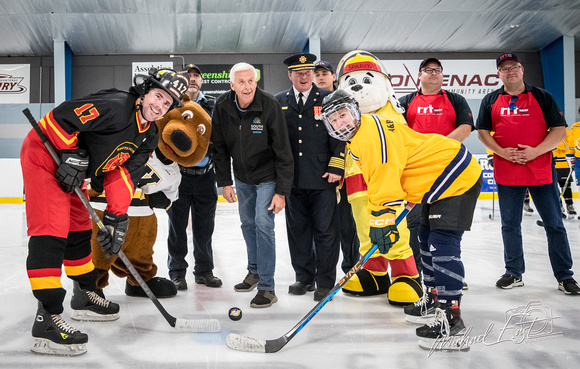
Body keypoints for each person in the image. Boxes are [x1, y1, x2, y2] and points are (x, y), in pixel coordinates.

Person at [20, 68, 188, 355]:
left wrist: (116, 217)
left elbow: (122, 176)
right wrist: (72, 153)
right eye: (158, 96)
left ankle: (85, 294)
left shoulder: (149, 134)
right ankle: (46, 318)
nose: (159, 106)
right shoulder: (115, 106)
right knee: (52, 229)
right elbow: (59, 118)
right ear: (145, 91)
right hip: (45, 156)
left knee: (80, 228)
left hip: (74, 170)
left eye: (167, 103)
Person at [322, 89, 482, 348]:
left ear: (354, 112)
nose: (341, 123)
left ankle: (450, 317)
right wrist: (387, 216)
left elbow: (385, 185)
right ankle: (432, 298)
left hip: (454, 174)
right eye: (335, 120)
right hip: (433, 180)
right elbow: (390, 174)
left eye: (344, 115)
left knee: (441, 244)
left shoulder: (370, 135)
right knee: (426, 236)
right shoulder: (359, 137)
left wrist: (381, 223)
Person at [476, 52, 579, 295]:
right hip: (507, 171)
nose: (510, 71)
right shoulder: (490, 100)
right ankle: (513, 272)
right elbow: (482, 133)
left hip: (541, 171)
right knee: (510, 225)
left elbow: (559, 131)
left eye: (514, 67)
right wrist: (501, 152)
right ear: (498, 74)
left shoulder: (543, 97)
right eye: (504, 68)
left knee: (554, 224)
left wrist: (535, 152)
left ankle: (565, 276)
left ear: (522, 70)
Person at [212, 62, 294, 308]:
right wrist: (225, 182)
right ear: (232, 85)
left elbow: (283, 150)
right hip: (242, 178)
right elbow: (219, 147)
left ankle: (268, 287)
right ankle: (255, 271)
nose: (247, 87)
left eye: (251, 81)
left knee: (262, 224)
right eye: (242, 82)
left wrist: (281, 192)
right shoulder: (222, 105)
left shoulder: (269, 105)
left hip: (268, 177)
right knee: (247, 224)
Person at [399, 57, 474, 290]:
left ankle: (448, 274)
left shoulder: (456, 100)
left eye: (438, 70)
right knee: (416, 228)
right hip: (417, 175)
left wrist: (437, 147)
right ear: (418, 75)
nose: (434, 73)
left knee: (447, 229)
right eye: (428, 70)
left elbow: (465, 128)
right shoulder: (405, 102)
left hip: (450, 173)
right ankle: (418, 276)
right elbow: (399, 134)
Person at [275, 53, 345, 302]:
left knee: (325, 231)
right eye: (298, 72)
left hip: (323, 177)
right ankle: (303, 277)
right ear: (290, 75)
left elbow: (341, 133)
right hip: (293, 180)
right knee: (298, 230)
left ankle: (325, 281)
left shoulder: (328, 98)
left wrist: (337, 165)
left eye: (308, 72)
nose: (304, 77)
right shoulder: (279, 101)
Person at [167, 63, 222, 290]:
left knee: (204, 227)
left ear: (201, 81)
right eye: (187, 75)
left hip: (206, 175)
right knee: (177, 227)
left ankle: (204, 271)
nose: (192, 79)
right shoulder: (173, 104)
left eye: (196, 76)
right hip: (179, 176)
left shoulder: (212, 105)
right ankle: (177, 272)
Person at [314, 60, 360, 274]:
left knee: (350, 223)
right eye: (317, 74)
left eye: (325, 73)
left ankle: (352, 266)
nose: (320, 77)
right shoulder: (312, 101)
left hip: (350, 172)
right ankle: (324, 267)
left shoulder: (347, 99)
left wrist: (338, 166)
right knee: (325, 225)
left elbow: (349, 134)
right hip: (321, 176)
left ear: (334, 76)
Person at [551, 128, 576, 217]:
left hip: (562, 164)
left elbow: (566, 145)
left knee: (566, 186)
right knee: (552, 188)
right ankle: (558, 207)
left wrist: (553, 140)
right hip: (549, 164)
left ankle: (570, 205)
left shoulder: (563, 129)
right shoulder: (544, 129)